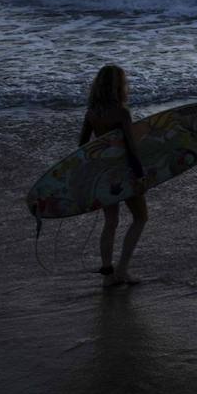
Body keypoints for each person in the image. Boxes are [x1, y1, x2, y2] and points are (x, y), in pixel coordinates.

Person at [78, 64, 150, 285]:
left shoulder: (91, 113)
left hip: (104, 174)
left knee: (110, 221)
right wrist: (140, 176)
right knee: (140, 218)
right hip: (125, 172)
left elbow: (82, 147)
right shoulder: (121, 112)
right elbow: (131, 147)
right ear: (120, 85)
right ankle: (122, 270)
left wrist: (89, 175)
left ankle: (107, 275)